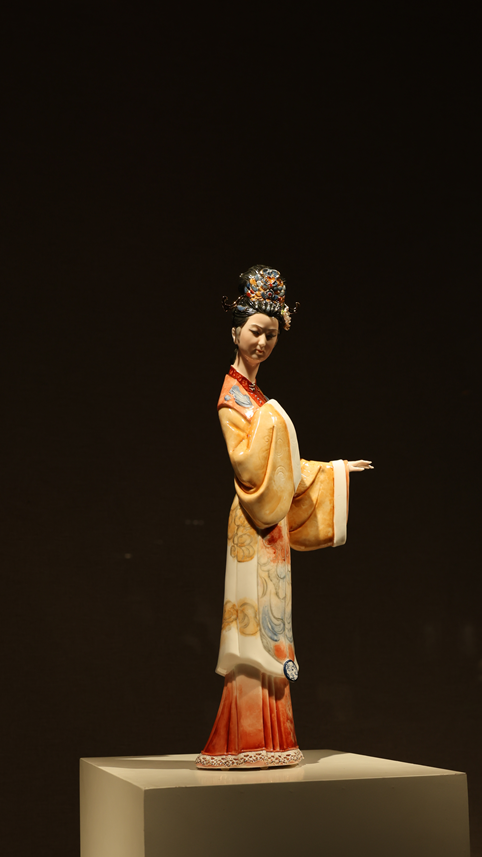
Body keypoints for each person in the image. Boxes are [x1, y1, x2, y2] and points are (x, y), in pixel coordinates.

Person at [196, 266, 371, 770]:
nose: (263, 342)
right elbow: (250, 467)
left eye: (271, 335)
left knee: (274, 622)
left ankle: (274, 737)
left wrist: (334, 470)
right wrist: (276, 418)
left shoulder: (257, 398)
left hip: (269, 523)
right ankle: (242, 739)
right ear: (235, 330)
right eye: (255, 331)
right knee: (254, 624)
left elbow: (285, 468)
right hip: (253, 517)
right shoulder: (233, 398)